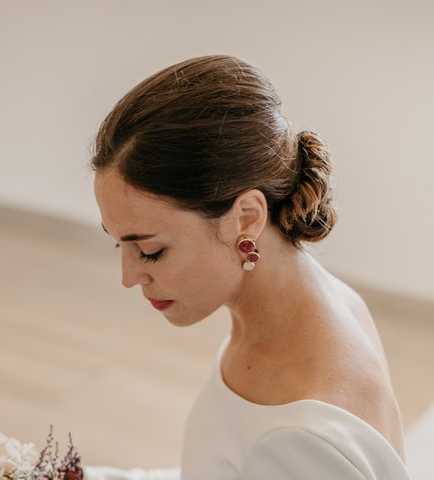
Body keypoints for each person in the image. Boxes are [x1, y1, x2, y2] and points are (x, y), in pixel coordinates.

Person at [82, 55, 412, 479]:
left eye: (150, 251)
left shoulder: (303, 441)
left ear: (247, 218)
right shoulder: (318, 304)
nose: (129, 278)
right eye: (118, 244)